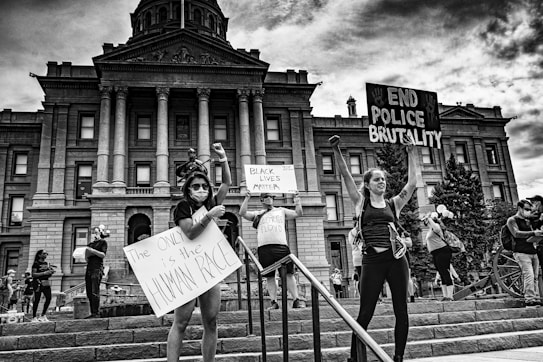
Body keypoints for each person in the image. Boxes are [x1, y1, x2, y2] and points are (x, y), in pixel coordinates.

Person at [329, 134, 419, 362]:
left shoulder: (393, 204)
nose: (382, 182)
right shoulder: (361, 202)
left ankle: (398, 357)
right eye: (377, 179)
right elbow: (345, 175)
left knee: (401, 310)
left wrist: (411, 152)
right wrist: (337, 150)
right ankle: (355, 358)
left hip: (396, 260)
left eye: (383, 179)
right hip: (372, 261)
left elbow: (412, 184)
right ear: (367, 185)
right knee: (365, 312)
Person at [168, 143, 231, 362]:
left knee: (211, 321)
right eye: (196, 186)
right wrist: (209, 215)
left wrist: (222, 158)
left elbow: (226, 183)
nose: (201, 190)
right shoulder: (183, 207)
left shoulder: (212, 202)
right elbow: (190, 234)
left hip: (209, 267)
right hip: (187, 267)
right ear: (188, 189)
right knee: (182, 322)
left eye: (204, 186)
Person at [240, 190, 303, 309]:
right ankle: (274, 301)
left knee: (289, 273)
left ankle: (296, 299)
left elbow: (298, 213)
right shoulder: (258, 214)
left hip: (281, 247)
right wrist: (247, 198)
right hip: (264, 249)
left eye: (271, 197)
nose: (270, 199)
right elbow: (242, 213)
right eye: (267, 197)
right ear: (262, 200)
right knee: (269, 276)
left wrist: (297, 201)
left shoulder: (281, 210)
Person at [507, 199, 543, 306]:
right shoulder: (512, 220)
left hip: (532, 251)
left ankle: (535, 297)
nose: (528, 212)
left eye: (530, 210)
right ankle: (529, 298)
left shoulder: (528, 221)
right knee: (529, 275)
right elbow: (516, 233)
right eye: (526, 209)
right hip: (521, 252)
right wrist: (533, 233)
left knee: (535, 276)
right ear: (519, 208)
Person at [423, 213, 454, 301]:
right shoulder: (430, 230)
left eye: (426, 220)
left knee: (445, 271)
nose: (425, 221)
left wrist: (429, 218)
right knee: (441, 273)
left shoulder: (435, 226)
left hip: (442, 251)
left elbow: (436, 228)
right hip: (435, 253)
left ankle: (450, 296)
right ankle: (445, 295)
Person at [85, 224, 108, 318]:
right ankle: (92, 312)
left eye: (96, 232)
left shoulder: (103, 242)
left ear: (100, 233)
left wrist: (92, 251)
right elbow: (86, 258)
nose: (94, 234)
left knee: (95, 291)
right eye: (93, 232)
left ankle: (96, 313)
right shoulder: (89, 244)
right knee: (89, 292)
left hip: (97, 268)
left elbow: (102, 255)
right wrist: (87, 253)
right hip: (89, 268)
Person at [31, 250, 55, 322]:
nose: (45, 255)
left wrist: (50, 272)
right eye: (44, 253)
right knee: (37, 299)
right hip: (38, 282)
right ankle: (34, 317)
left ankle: (43, 315)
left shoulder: (46, 263)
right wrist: (45, 273)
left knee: (48, 298)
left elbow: (48, 274)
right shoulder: (36, 263)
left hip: (46, 282)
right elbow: (33, 274)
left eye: (46, 254)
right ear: (39, 255)